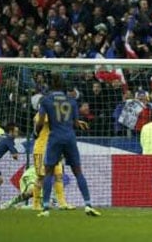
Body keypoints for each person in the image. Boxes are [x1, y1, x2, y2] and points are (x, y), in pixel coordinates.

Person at [35, 73, 100, 217]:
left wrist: (36, 131)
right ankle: (88, 205)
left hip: (55, 137)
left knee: (48, 173)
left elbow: (40, 122)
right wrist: (79, 123)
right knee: (78, 172)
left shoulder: (46, 100)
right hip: (70, 137)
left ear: (51, 86)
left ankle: (45, 208)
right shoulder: (71, 101)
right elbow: (75, 122)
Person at [30, 93, 75, 211]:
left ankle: (62, 203)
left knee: (59, 175)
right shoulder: (42, 113)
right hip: (41, 149)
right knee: (41, 177)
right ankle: (36, 204)